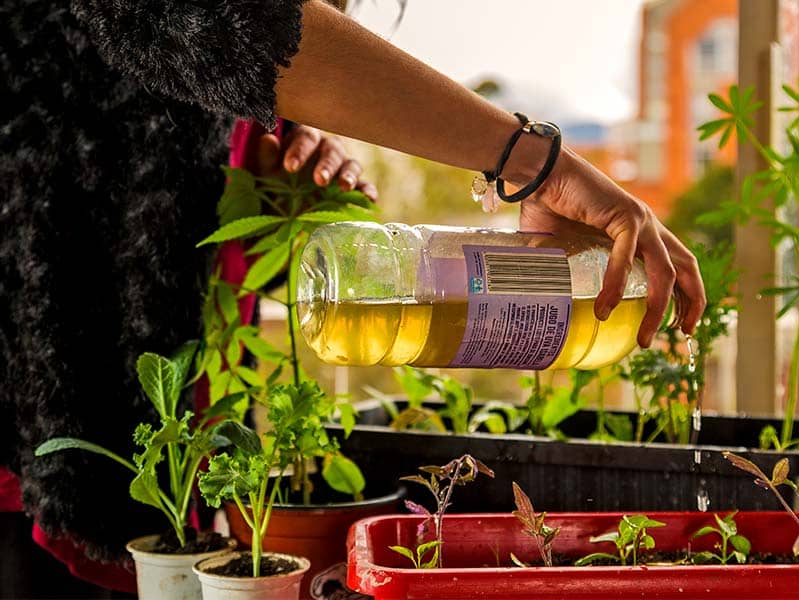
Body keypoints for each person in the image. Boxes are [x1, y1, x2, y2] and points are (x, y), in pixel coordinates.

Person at [0, 0, 705, 593]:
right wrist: (534, 162)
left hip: (154, 480)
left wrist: (280, 170)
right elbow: (226, 21)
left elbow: (178, 112)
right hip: (34, 450)